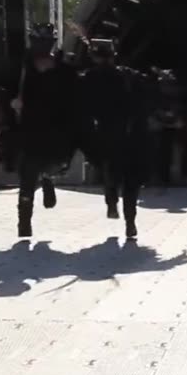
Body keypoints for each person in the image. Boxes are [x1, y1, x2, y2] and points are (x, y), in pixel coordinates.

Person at [79, 38, 156, 239]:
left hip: (108, 136)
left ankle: (113, 203)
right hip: (130, 136)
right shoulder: (128, 76)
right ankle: (129, 220)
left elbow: (82, 106)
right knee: (130, 181)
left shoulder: (90, 78)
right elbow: (147, 95)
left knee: (110, 173)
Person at [12, 23, 81, 237]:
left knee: (57, 162)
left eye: (46, 42)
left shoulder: (63, 66)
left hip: (56, 126)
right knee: (26, 175)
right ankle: (24, 222)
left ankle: (48, 177)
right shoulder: (23, 66)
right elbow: (7, 87)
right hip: (30, 125)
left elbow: (75, 88)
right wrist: (12, 101)